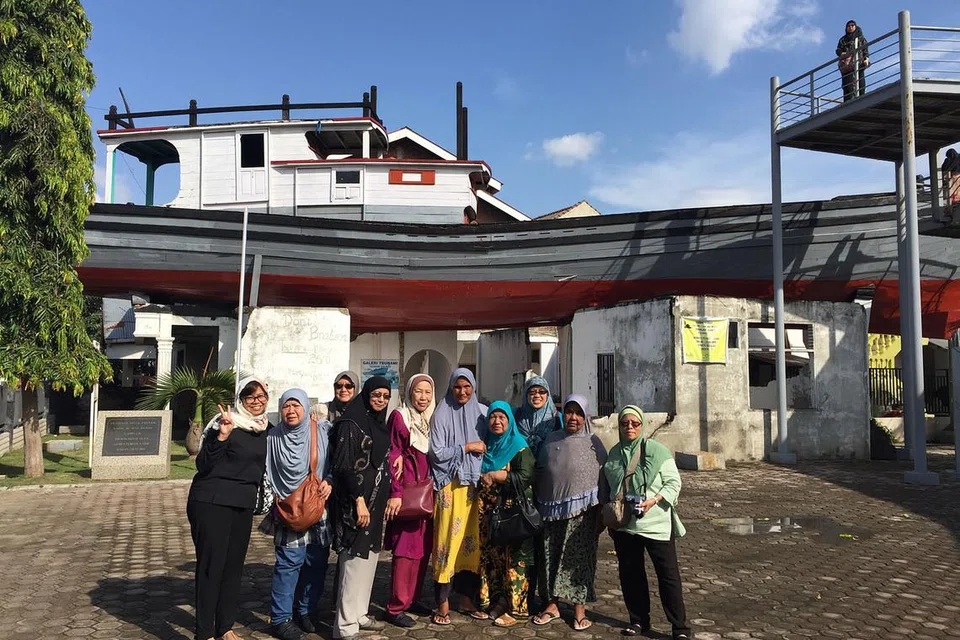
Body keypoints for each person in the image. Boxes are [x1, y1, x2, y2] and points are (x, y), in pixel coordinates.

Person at [186, 376, 270, 640]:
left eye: (261, 396)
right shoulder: (223, 422)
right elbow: (203, 465)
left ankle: (225, 627)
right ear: (240, 400)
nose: (257, 402)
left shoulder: (264, 427)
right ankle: (205, 633)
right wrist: (222, 436)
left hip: (242, 504)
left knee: (233, 567)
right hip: (212, 502)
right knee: (212, 566)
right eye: (250, 397)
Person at [603, 405, 691, 640]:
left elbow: (673, 483)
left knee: (668, 577)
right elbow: (609, 488)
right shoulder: (613, 454)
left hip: (656, 525)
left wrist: (654, 500)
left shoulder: (656, 450)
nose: (629, 427)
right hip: (626, 526)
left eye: (635, 423)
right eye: (625, 423)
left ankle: (679, 628)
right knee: (631, 575)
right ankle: (638, 620)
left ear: (642, 425)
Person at [260, 388, 334, 640]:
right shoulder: (272, 438)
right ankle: (281, 618)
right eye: (286, 406)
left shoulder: (321, 431)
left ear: (305, 407)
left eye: (296, 406)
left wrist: (330, 480)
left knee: (317, 561)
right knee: (288, 564)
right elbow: (266, 473)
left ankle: (306, 610)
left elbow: (334, 462)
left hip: (318, 505)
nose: (291, 411)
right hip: (288, 508)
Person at [532, 395, 607, 632]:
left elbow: (604, 477)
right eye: (568, 412)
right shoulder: (551, 439)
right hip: (551, 510)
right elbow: (541, 471)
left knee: (578, 560)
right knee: (550, 556)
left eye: (578, 413)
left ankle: (579, 610)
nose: (572, 417)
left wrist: (601, 513)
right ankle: (552, 604)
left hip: (583, 514)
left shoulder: (594, 442)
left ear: (585, 416)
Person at [330, 376, 393, 640]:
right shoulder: (350, 423)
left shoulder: (378, 424)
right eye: (376, 394)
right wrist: (358, 500)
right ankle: (344, 625)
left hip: (375, 500)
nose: (381, 400)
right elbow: (343, 467)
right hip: (355, 502)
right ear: (366, 394)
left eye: (385, 396)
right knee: (353, 561)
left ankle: (359, 614)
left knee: (369, 560)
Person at [428, 368, 487, 626]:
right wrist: (466, 447)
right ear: (451, 388)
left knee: (470, 543)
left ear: (473, 387)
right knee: (447, 543)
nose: (462, 392)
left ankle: (465, 598)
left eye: (467, 387)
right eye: (457, 387)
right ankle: (442, 602)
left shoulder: (482, 414)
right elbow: (436, 453)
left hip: (474, 489)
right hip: (449, 488)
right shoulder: (441, 414)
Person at [383, 374, 436, 628]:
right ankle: (395, 607)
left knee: (423, 548)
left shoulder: (430, 419)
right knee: (405, 550)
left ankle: (412, 598)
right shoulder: (400, 417)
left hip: (427, 493)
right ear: (409, 393)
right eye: (418, 391)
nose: (423, 397)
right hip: (408, 493)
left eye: (428, 392)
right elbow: (393, 453)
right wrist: (395, 492)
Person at [477, 401, 535, 627]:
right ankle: (497, 601)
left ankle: (517, 610)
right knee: (494, 559)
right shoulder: (487, 446)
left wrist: (499, 475)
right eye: (493, 417)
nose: (497, 421)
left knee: (516, 560)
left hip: (513, 512)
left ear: (510, 420)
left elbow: (526, 477)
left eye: (502, 417)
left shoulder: (519, 446)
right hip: (489, 514)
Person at [514, 376, 558, 458]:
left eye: (542, 392)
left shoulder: (557, 418)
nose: (537, 395)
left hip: (548, 465)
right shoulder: (515, 415)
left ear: (547, 395)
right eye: (532, 392)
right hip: (521, 466)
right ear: (526, 395)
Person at [837, 20, 869, 101]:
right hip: (847, 64)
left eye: (852, 25)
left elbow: (865, 49)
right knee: (847, 83)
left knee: (860, 79)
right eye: (848, 26)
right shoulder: (843, 40)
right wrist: (845, 54)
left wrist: (866, 59)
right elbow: (838, 51)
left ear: (855, 26)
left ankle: (862, 97)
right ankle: (848, 100)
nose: (850, 27)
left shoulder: (860, 37)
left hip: (859, 61)